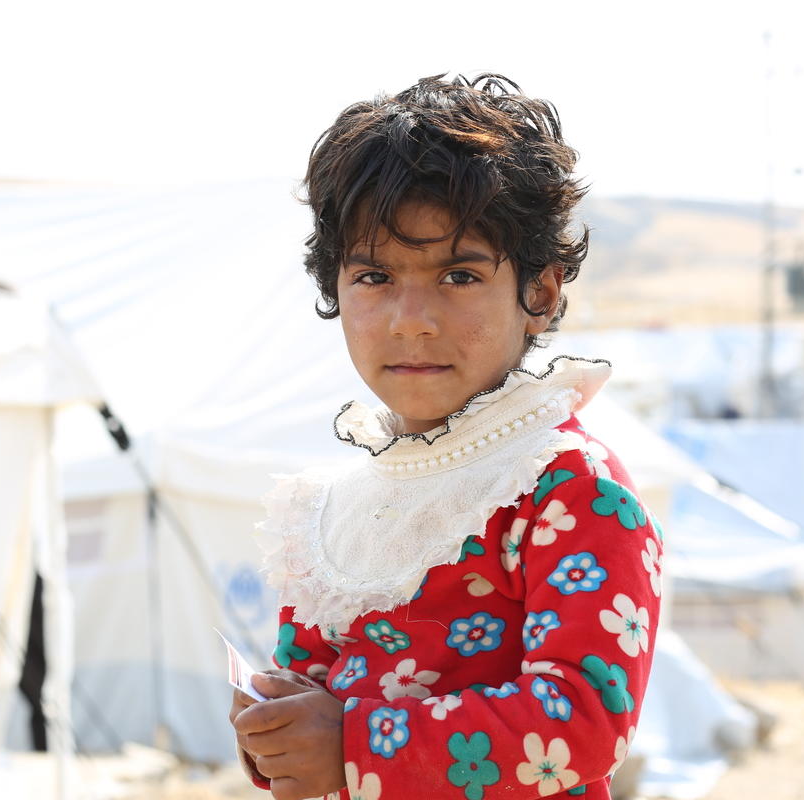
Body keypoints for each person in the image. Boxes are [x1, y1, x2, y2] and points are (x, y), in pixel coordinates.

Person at [230, 73, 663, 800]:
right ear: (334, 289)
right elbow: (310, 691)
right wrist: (277, 729)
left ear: (540, 293)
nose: (411, 319)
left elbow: (584, 722)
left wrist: (352, 745)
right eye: (374, 276)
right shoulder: (336, 508)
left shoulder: (565, 487)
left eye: (458, 275)